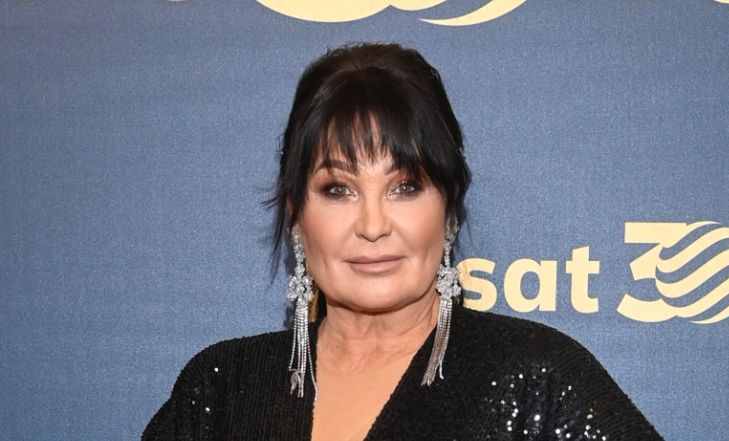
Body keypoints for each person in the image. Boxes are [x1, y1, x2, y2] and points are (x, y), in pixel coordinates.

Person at [143, 43, 663, 441]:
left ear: (449, 206)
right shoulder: (221, 388)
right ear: (297, 213)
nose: (373, 225)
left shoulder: (536, 379)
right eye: (338, 189)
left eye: (405, 186)